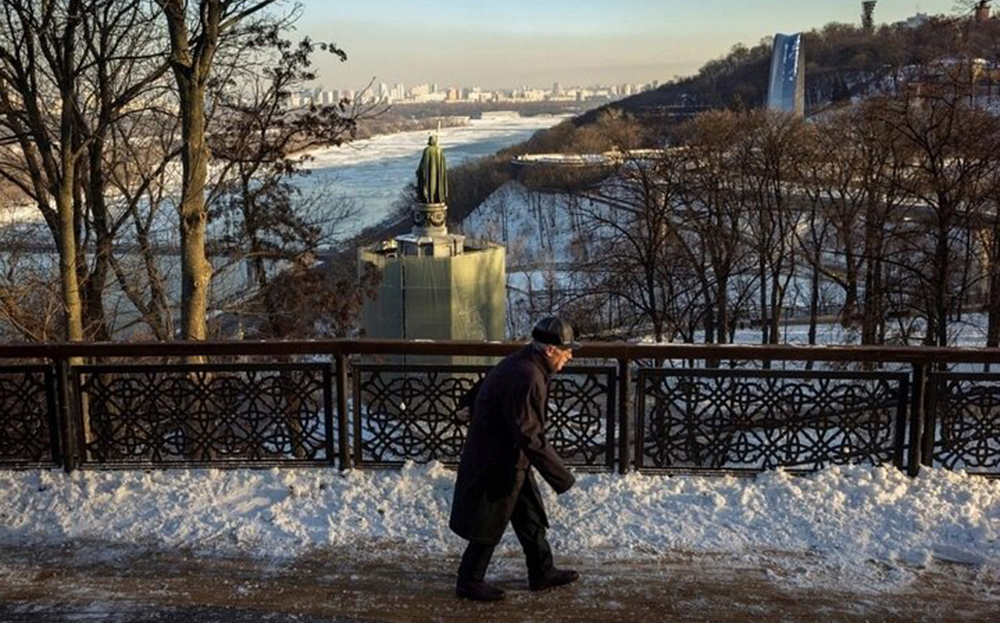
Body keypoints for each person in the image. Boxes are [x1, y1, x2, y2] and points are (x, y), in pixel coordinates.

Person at [449, 316, 582, 602]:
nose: (569, 355)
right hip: (496, 460)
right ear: (549, 350)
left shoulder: (526, 361)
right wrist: (562, 476)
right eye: (566, 349)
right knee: (488, 522)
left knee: (530, 516)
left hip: (510, 456)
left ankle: (541, 571)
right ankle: (469, 581)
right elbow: (529, 434)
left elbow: (491, 386)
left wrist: (469, 406)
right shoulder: (527, 375)